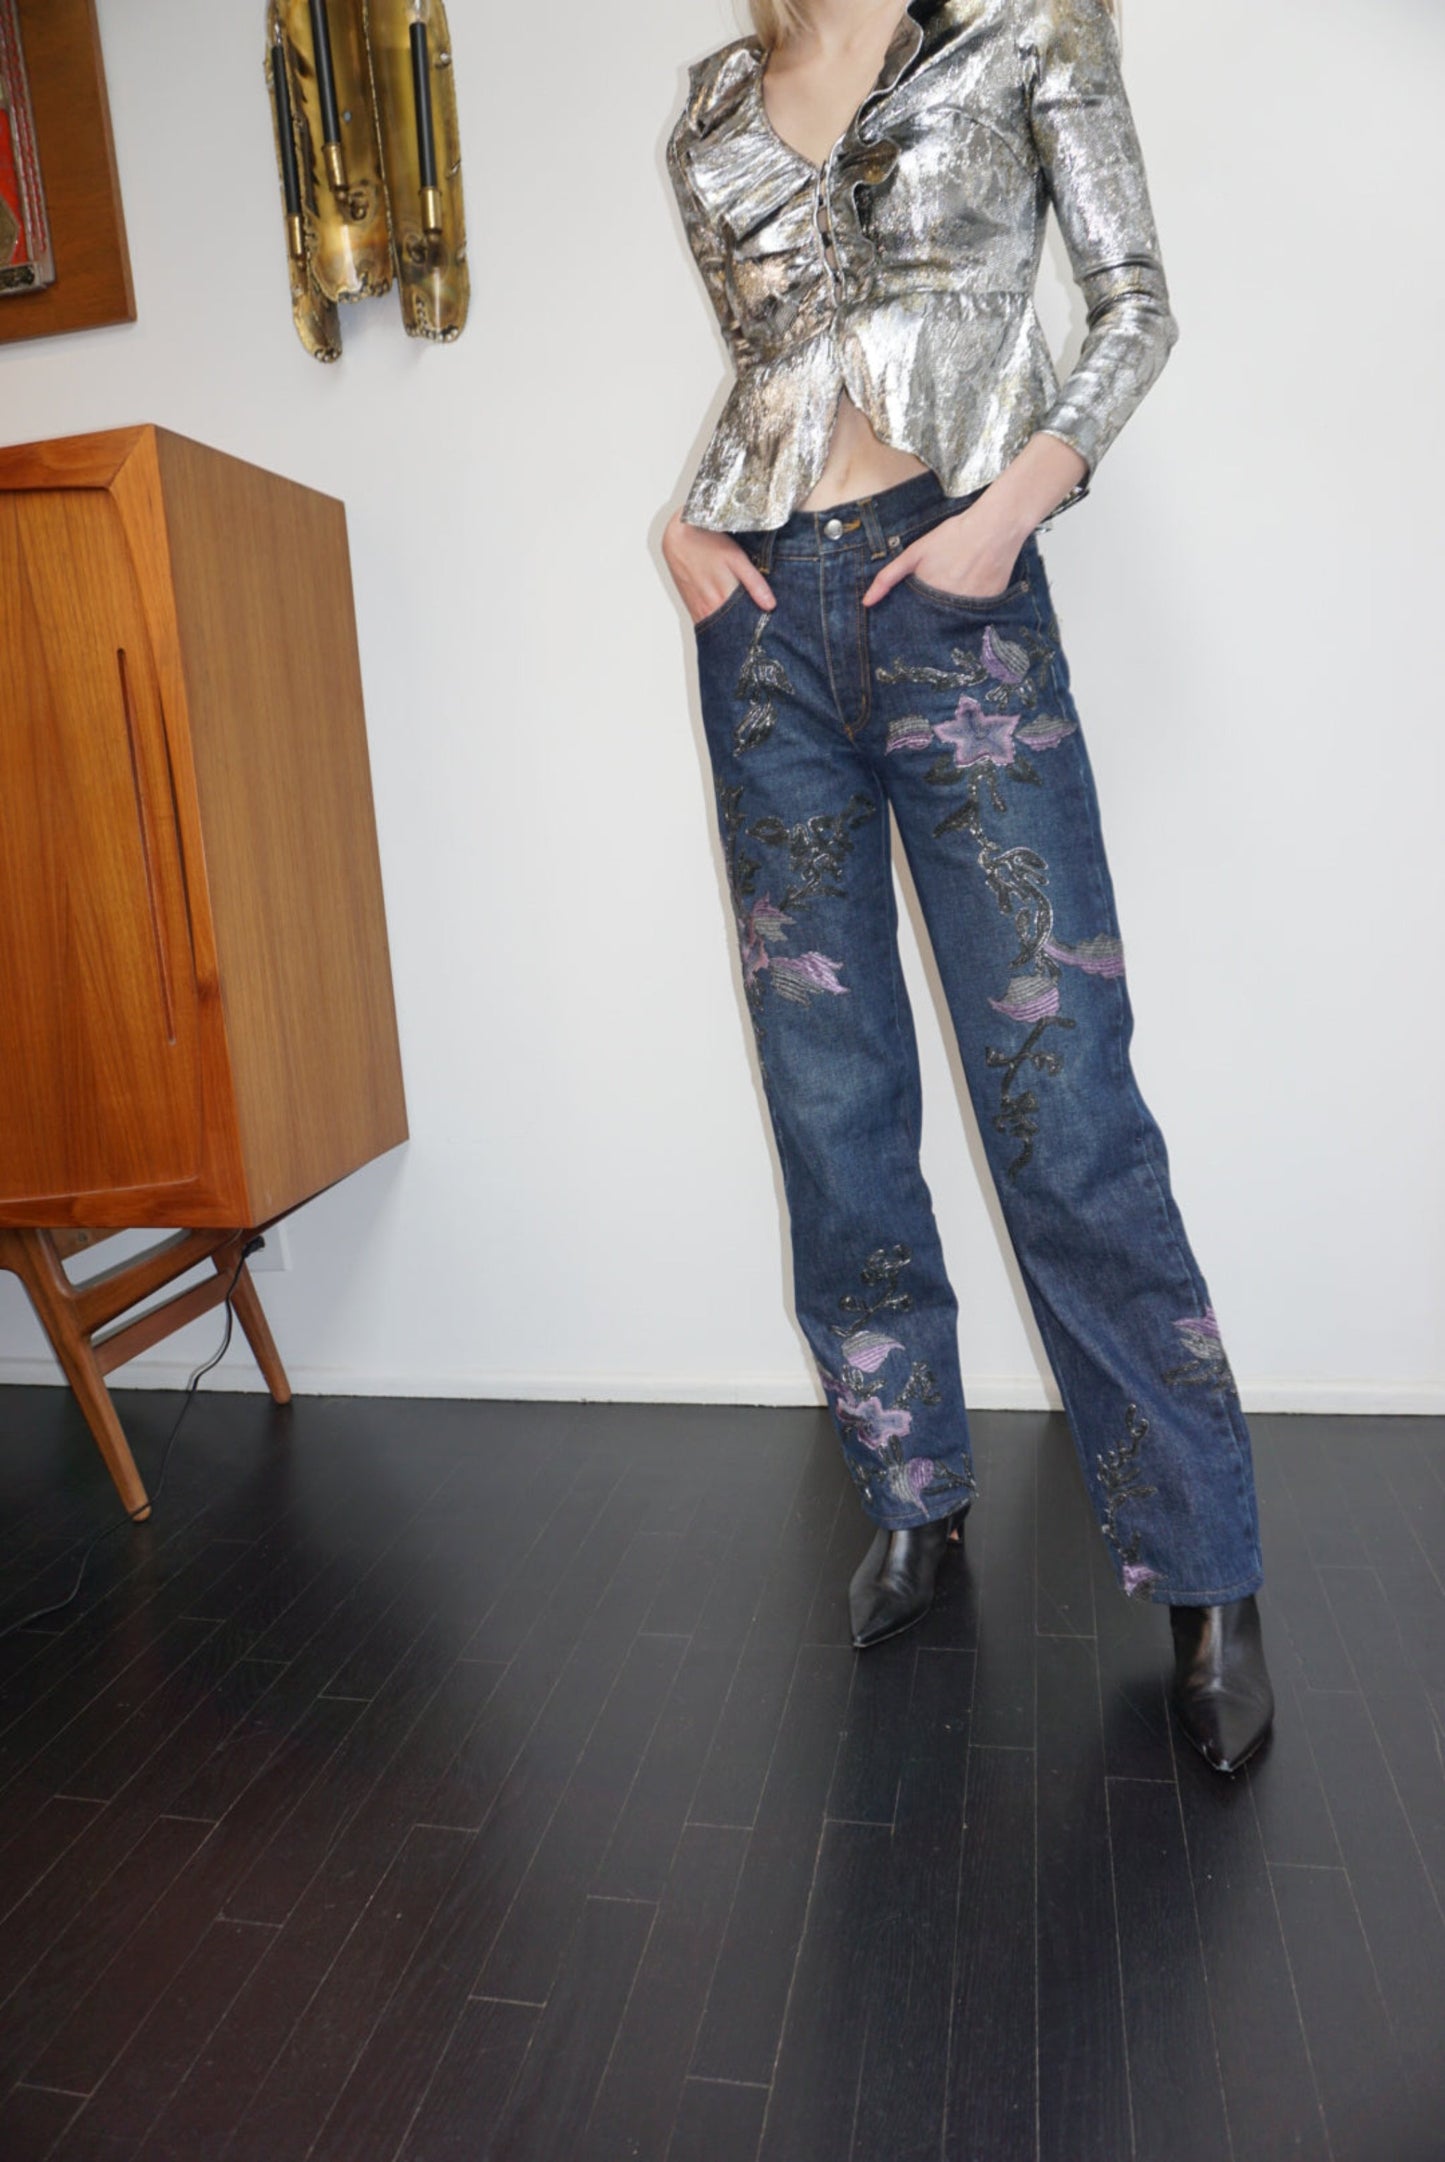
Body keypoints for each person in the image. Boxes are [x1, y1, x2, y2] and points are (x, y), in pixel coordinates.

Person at [661, 0, 1273, 1773]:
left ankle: (1206, 1569)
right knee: (831, 1103)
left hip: (955, 592)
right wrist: (679, 528)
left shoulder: (1019, 30)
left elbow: (1133, 300)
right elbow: (778, 347)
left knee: (1060, 1093)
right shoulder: (713, 102)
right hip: (760, 627)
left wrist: (1014, 506)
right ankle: (912, 1491)